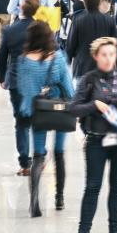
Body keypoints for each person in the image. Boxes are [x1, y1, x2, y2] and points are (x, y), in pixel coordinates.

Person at [65, 37, 117, 233]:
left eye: (112, 54)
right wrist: (94, 105)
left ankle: (115, 230)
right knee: (93, 185)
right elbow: (74, 108)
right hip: (96, 140)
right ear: (96, 56)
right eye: (104, 55)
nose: (108, 59)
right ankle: (82, 232)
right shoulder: (89, 79)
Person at [16, 21, 74, 217]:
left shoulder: (23, 61)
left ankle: (34, 202)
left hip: (37, 111)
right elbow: (69, 89)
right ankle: (59, 198)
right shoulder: (57, 58)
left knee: (38, 155)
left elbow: (24, 90)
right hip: (58, 110)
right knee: (59, 152)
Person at [0, 0, 39, 176]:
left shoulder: (10, 31)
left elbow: (1, 57)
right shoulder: (41, 30)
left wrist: (1, 77)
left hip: (15, 80)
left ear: (20, 9)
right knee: (37, 120)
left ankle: (24, 162)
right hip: (36, 80)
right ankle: (39, 156)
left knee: (21, 122)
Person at [66, 0, 117, 79]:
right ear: (99, 2)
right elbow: (116, 46)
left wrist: (67, 63)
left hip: (82, 69)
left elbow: (70, 45)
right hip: (104, 68)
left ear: (84, 2)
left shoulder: (77, 20)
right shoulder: (109, 20)